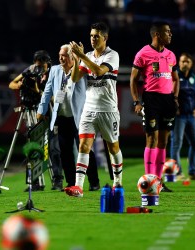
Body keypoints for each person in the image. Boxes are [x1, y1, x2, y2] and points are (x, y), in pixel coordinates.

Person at [65, 22, 123, 197]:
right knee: (84, 145)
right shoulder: (88, 55)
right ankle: (79, 187)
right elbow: (75, 78)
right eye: (91, 36)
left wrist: (82, 56)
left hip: (108, 109)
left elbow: (98, 71)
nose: (92, 39)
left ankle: (118, 182)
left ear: (105, 38)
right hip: (89, 108)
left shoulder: (112, 55)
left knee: (113, 147)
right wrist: (77, 59)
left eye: (96, 36)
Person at [37, 44, 100, 191]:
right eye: (60, 54)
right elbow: (47, 92)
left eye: (64, 55)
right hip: (62, 117)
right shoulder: (54, 70)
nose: (60, 57)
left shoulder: (82, 69)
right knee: (65, 152)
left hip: (80, 117)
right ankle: (71, 183)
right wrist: (42, 109)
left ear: (72, 57)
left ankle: (94, 182)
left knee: (85, 150)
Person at [130, 21, 180, 193]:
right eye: (167, 31)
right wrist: (136, 101)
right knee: (151, 139)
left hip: (167, 101)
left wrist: (175, 98)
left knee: (163, 141)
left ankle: (158, 181)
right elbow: (133, 79)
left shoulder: (171, 55)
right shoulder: (143, 54)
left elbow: (175, 79)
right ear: (157, 34)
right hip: (151, 100)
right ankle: (149, 179)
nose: (170, 34)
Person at [8, 50, 60, 191]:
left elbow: (54, 97)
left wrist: (38, 90)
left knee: (52, 148)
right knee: (33, 146)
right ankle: (36, 182)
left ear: (47, 63)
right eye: (37, 65)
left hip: (46, 112)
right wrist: (21, 85)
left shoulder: (53, 73)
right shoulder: (30, 70)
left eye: (41, 66)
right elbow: (12, 83)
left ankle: (57, 181)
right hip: (31, 110)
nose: (38, 68)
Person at [169, 52, 195, 180]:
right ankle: (177, 172)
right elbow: (168, 93)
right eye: (183, 61)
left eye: (187, 62)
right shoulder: (174, 76)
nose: (185, 63)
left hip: (191, 116)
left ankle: (193, 172)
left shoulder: (193, 78)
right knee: (176, 144)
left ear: (191, 64)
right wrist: (174, 107)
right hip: (179, 116)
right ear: (179, 63)